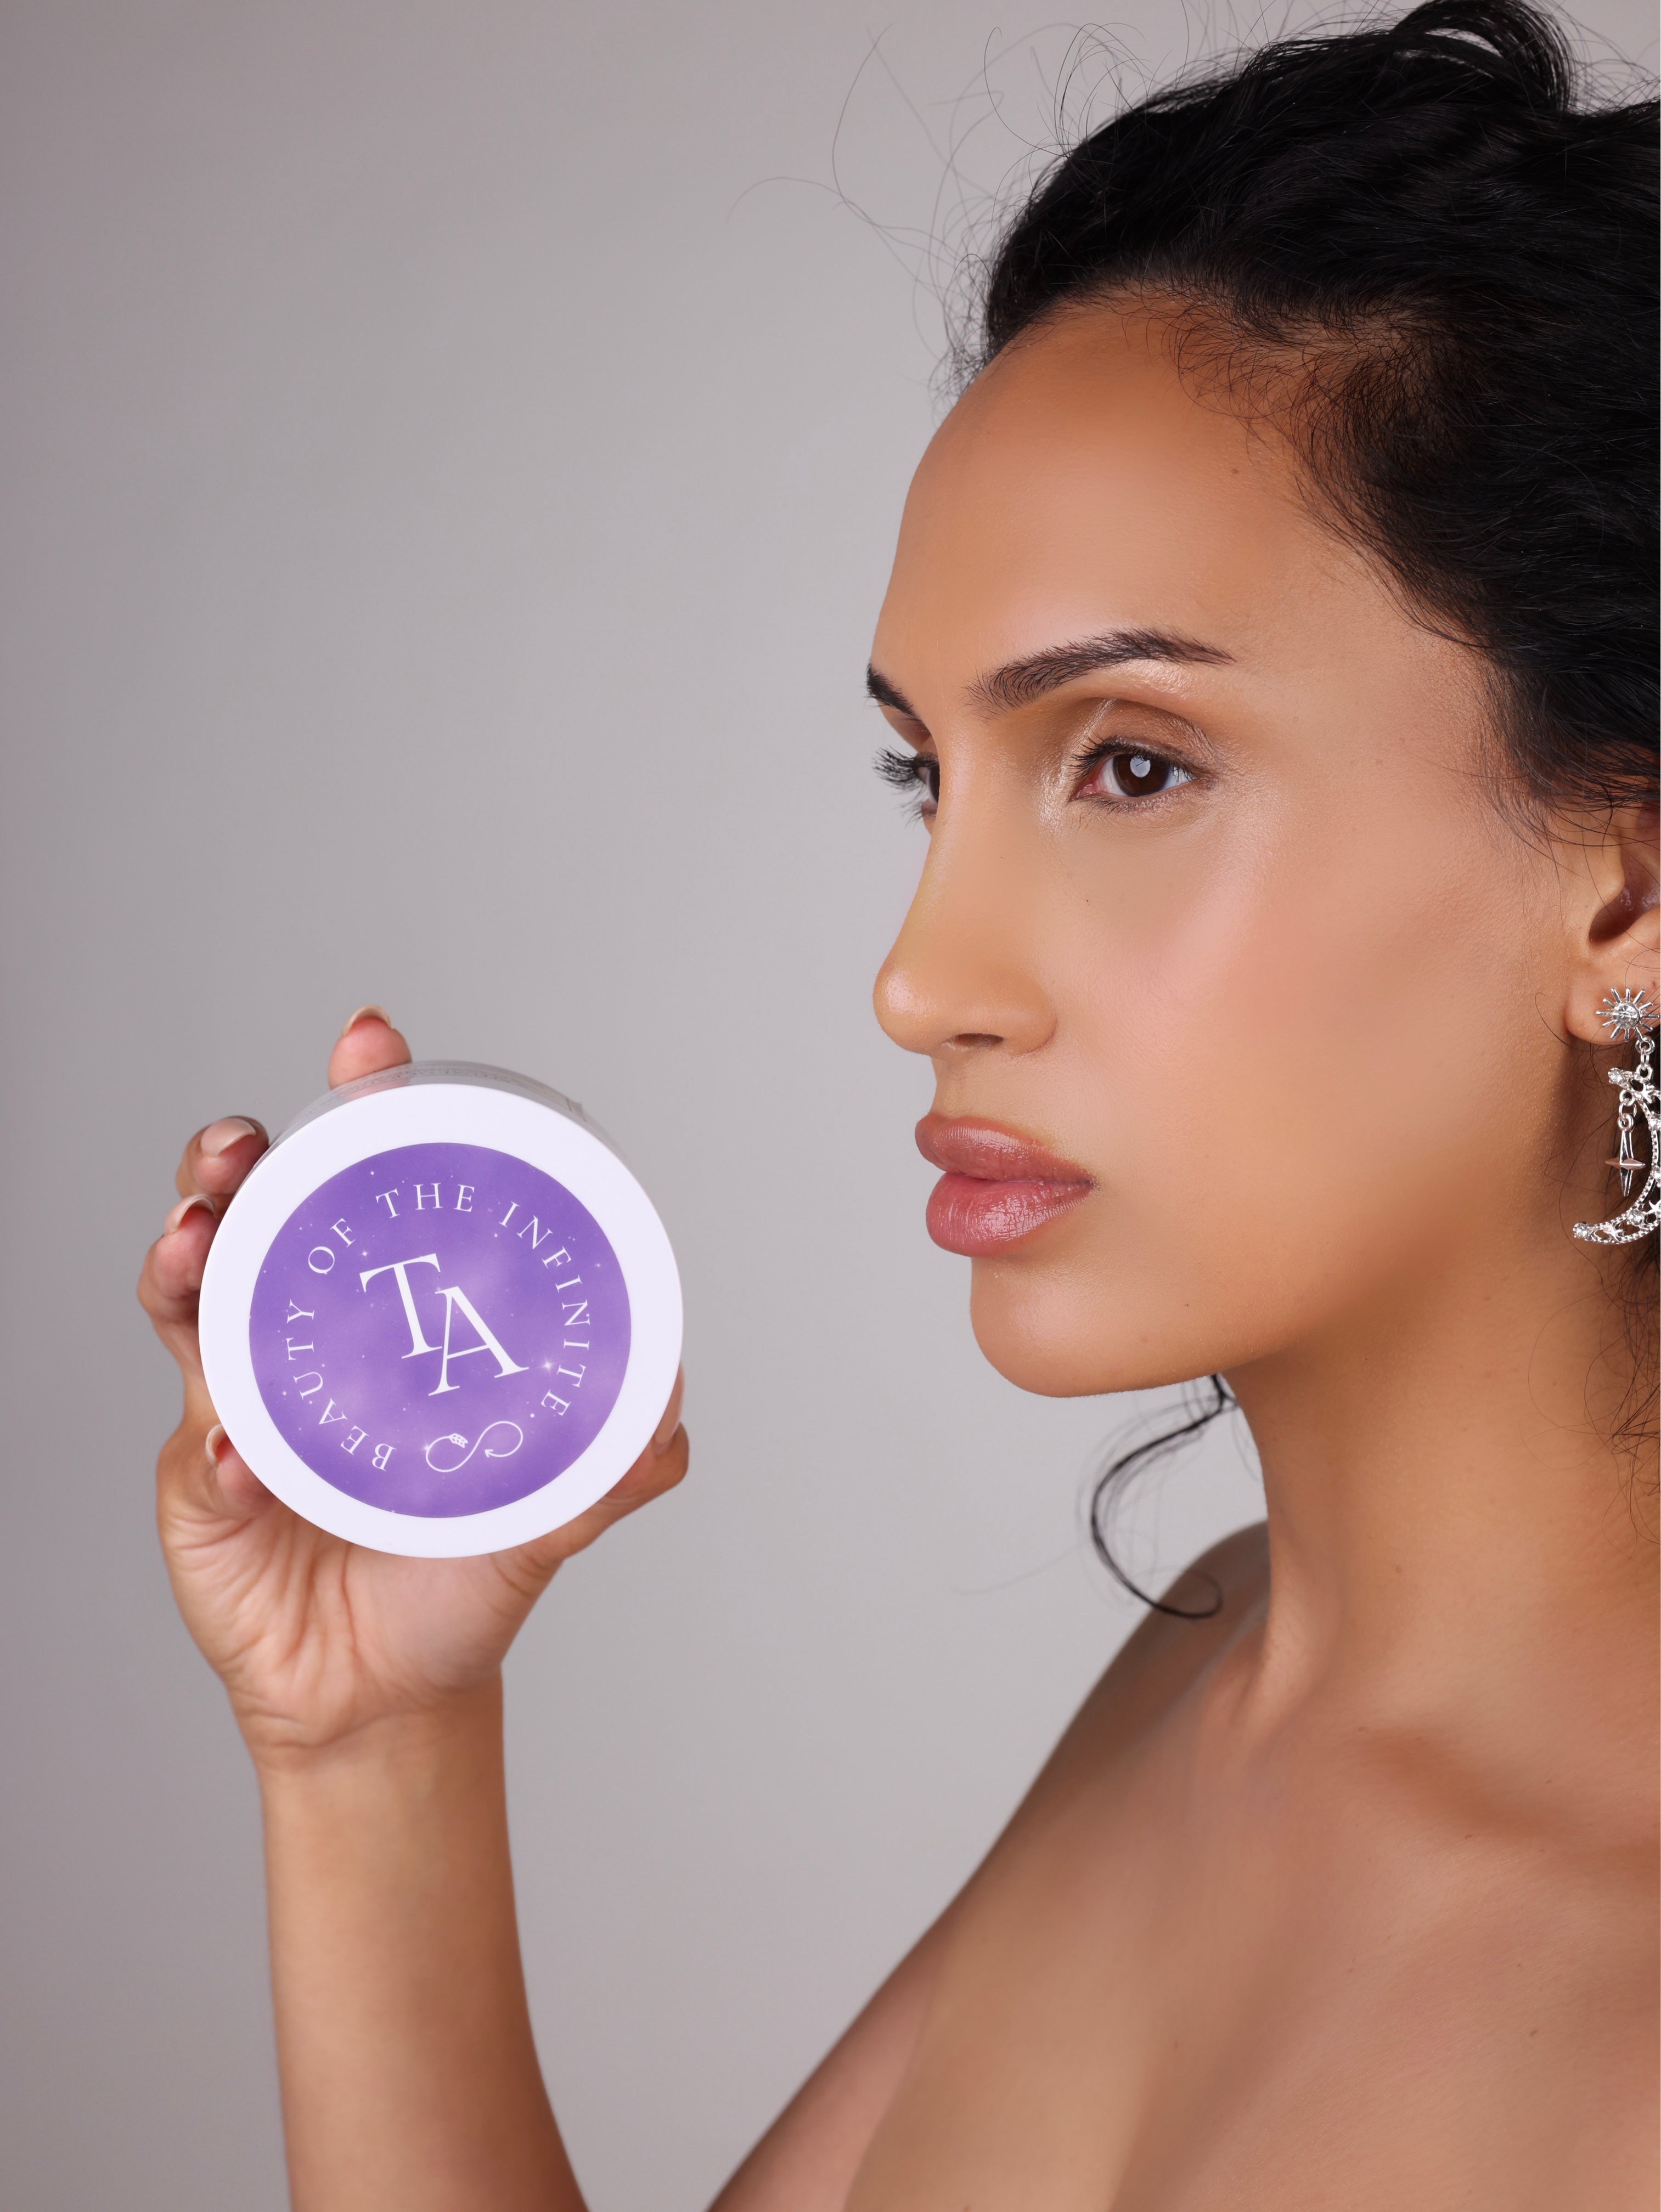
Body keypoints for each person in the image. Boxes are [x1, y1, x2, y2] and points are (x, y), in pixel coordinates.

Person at [137, 3, 1657, 2203]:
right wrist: (369, 1741)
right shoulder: (1214, 1666)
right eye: (923, 775)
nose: (918, 978)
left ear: (1619, 881)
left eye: (1129, 764)